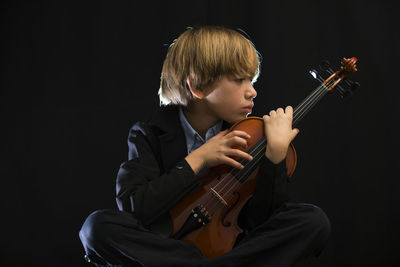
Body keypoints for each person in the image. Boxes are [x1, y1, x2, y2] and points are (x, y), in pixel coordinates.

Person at [79, 25, 331, 267]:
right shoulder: (148, 133)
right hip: (163, 241)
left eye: (251, 80)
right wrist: (198, 158)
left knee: (312, 221)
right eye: (239, 80)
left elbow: (260, 220)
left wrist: (274, 157)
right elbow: (136, 207)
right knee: (96, 227)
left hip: (226, 244)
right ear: (198, 87)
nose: (252, 92)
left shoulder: (251, 137)